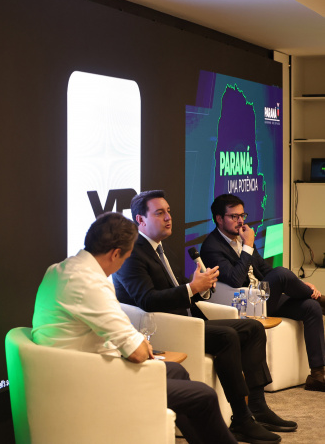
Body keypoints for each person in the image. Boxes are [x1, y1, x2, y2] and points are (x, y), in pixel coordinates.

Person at [32, 212, 237, 444]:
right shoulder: (89, 283)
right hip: (88, 381)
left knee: (176, 370)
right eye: (126, 257)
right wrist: (139, 344)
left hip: (71, 368)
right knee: (203, 395)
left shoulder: (62, 269)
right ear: (115, 254)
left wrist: (137, 342)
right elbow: (137, 353)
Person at [113, 190, 296, 444]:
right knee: (228, 336)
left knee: (252, 328)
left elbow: (180, 290)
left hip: (188, 319)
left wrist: (201, 287)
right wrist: (191, 288)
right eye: (160, 213)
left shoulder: (162, 249)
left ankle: (257, 405)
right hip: (166, 327)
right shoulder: (133, 254)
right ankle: (242, 419)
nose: (168, 218)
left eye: (169, 212)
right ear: (140, 220)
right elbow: (147, 300)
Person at [200, 193, 325, 392]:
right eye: (234, 216)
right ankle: (320, 300)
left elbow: (265, 271)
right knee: (282, 274)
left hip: (263, 297)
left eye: (242, 215)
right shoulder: (211, 247)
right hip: (244, 303)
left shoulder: (241, 238)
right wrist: (248, 246)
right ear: (219, 219)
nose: (240, 221)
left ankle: (317, 374)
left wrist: (298, 285)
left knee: (310, 307)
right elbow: (234, 280)